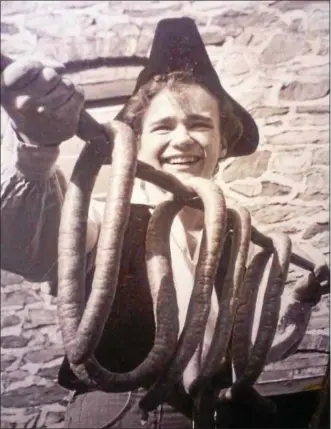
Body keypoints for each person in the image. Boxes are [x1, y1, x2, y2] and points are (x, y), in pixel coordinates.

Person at [1, 18, 327, 429]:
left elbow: (246, 348)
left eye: (199, 124)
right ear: (137, 141)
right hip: (117, 414)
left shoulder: (237, 237)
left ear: (223, 142)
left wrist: (300, 300)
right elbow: (24, 246)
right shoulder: (105, 218)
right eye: (163, 126)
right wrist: (37, 149)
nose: (182, 139)